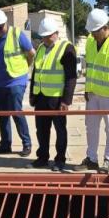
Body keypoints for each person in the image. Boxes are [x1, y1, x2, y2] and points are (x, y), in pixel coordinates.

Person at [74, 8, 109, 174]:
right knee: (91, 127)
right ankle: (91, 159)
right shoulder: (91, 42)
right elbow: (90, 68)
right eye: (91, 31)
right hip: (93, 94)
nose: (92, 35)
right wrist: (87, 89)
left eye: (95, 31)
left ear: (105, 27)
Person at [29, 17, 78, 171]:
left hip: (57, 99)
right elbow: (36, 72)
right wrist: (32, 95)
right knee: (41, 130)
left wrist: (66, 101)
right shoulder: (40, 48)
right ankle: (42, 157)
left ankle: (60, 160)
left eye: (48, 36)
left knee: (60, 130)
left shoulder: (67, 48)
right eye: (43, 36)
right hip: (41, 97)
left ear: (56, 33)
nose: (45, 39)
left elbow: (71, 77)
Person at [0, 8, 35, 157]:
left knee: (16, 111)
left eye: (0, 27)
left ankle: (27, 144)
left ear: (6, 23)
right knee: (2, 115)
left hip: (16, 80)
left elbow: (31, 53)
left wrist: (25, 68)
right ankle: (5, 144)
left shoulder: (17, 34)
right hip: (0, 82)